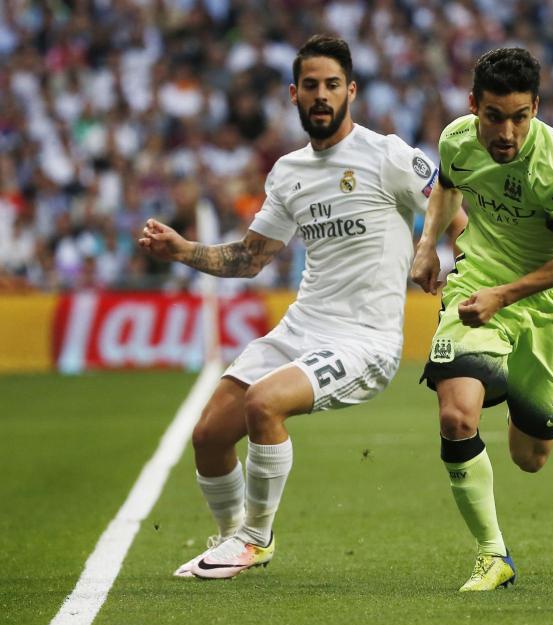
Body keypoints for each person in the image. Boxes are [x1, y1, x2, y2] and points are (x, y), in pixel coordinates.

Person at [139, 35, 440, 579]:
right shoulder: (287, 172)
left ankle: (255, 539)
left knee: (264, 404)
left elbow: (450, 205)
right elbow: (251, 258)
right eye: (310, 86)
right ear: (294, 95)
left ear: (351, 91)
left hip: (365, 339)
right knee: (208, 436)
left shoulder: (387, 154)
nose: (320, 95)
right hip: (303, 326)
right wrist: (181, 249)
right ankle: (232, 538)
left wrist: (431, 248)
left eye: (331, 85)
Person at [410, 48, 553, 591]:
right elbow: (448, 184)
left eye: (521, 116)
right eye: (494, 116)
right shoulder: (456, 140)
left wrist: (507, 296)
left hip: (550, 301)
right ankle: (494, 556)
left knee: (530, 457)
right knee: (457, 419)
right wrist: (427, 246)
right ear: (474, 107)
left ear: (536, 107)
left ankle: (515, 385)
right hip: (475, 286)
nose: (508, 132)